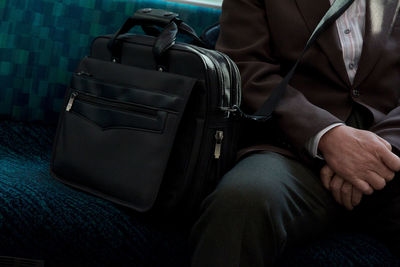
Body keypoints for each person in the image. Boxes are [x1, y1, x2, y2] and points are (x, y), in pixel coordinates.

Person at [189, 0, 400, 266]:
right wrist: (326, 135)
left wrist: (382, 152)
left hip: (389, 152)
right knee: (241, 202)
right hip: (291, 149)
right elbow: (245, 67)